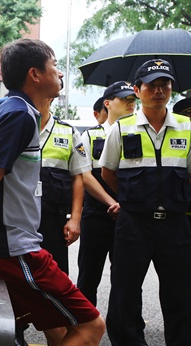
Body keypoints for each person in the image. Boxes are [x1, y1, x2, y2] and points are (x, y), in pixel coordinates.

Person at [0, 38, 105, 345]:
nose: (60, 74)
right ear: (35, 74)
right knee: (92, 326)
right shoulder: (19, 115)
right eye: (54, 66)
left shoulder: (10, 110)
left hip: (9, 248)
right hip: (15, 251)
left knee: (57, 328)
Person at [100, 59, 191, 345]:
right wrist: (132, 200)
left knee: (181, 294)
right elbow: (108, 173)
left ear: (172, 89)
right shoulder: (122, 128)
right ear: (138, 91)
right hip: (134, 224)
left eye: (164, 84)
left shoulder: (188, 127)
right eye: (151, 85)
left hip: (176, 224)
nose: (159, 90)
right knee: (125, 292)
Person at [77, 81, 136, 306]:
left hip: (130, 214)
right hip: (97, 215)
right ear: (108, 103)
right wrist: (112, 202)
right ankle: (84, 325)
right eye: (124, 98)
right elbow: (85, 175)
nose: (130, 102)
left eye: (133, 98)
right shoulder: (91, 136)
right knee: (89, 276)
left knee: (127, 278)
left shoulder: (139, 133)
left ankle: (125, 328)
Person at [37, 99, 89, 275]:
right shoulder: (16, 126)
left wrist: (75, 219)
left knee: (54, 276)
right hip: (19, 219)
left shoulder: (68, 131)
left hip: (54, 220)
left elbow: (78, 178)